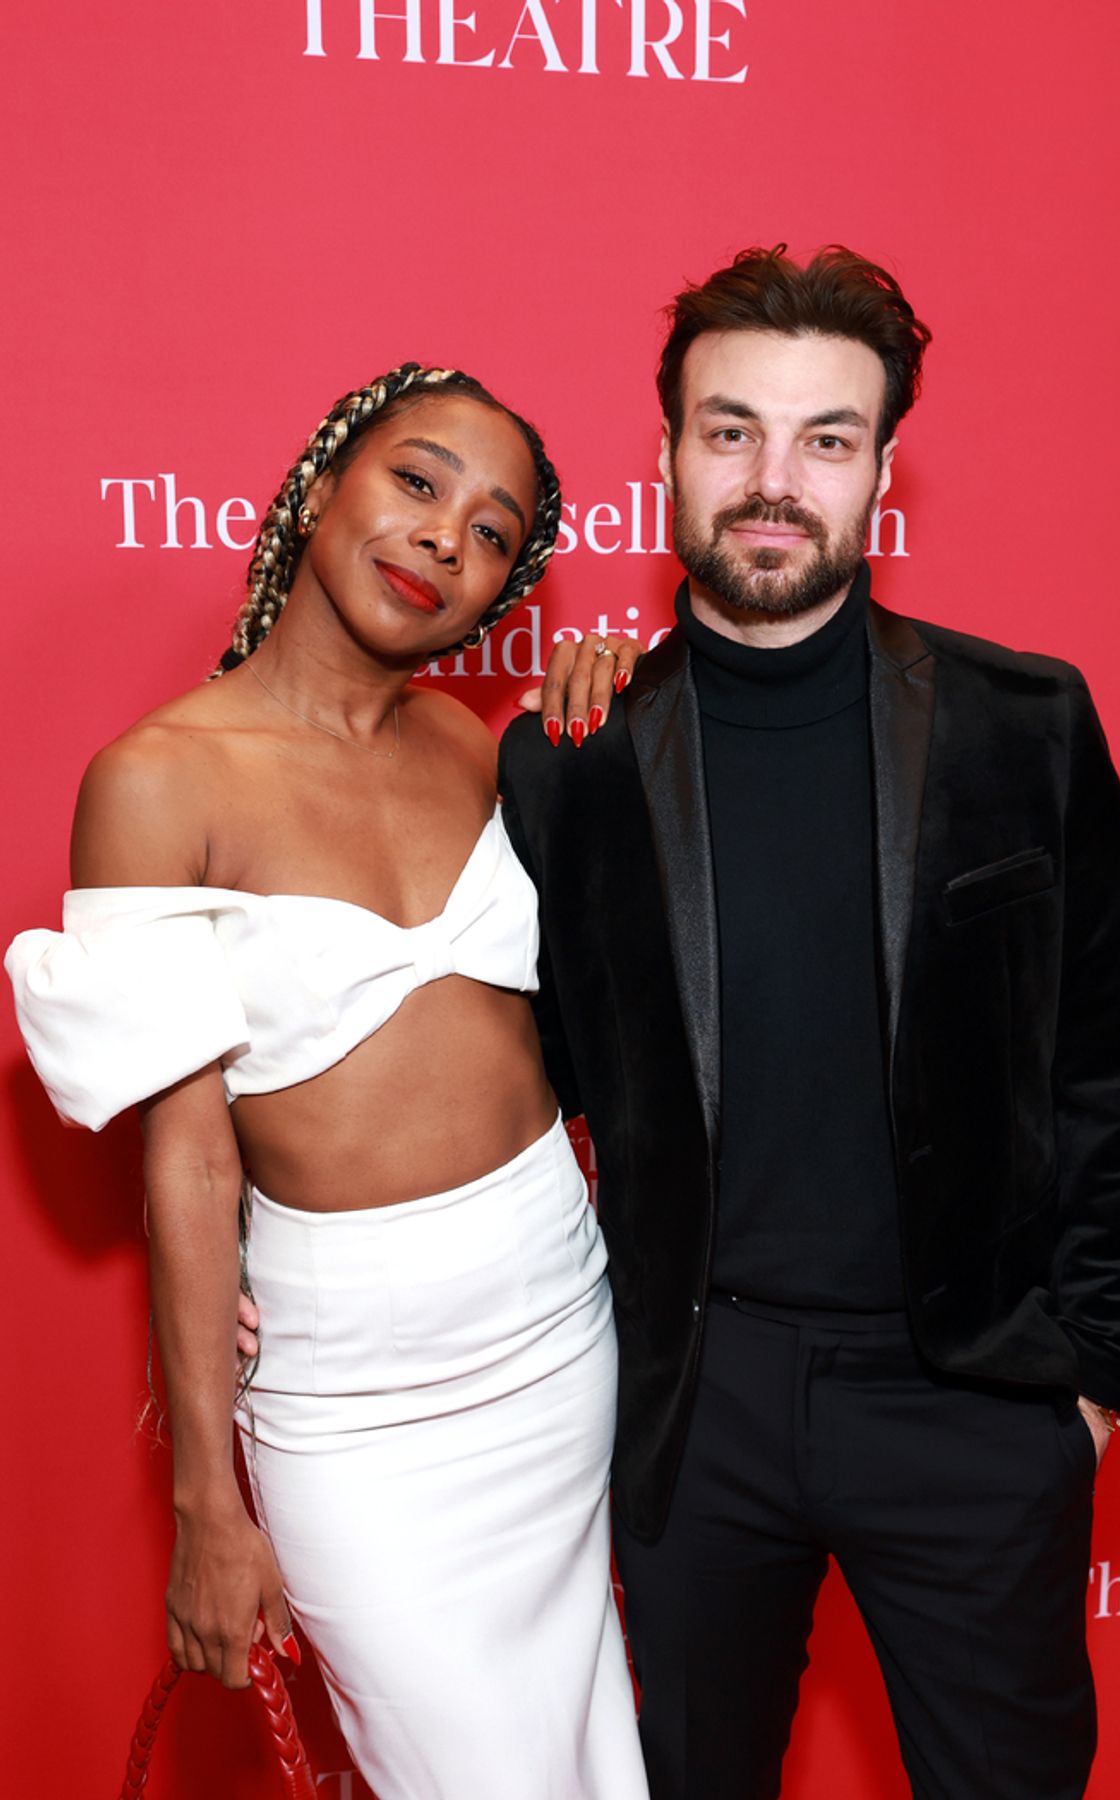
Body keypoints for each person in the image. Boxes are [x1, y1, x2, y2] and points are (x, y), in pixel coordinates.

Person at [497, 247, 1120, 1800]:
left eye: (825, 439)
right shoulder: (571, 765)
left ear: (880, 467)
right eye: (730, 431)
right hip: (697, 1407)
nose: (772, 482)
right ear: (667, 450)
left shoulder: (1030, 724)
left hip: (973, 1404)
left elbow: (1115, 1081)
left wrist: (1084, 1387)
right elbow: (515, 1087)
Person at [6, 362, 649, 1800]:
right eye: (417, 483)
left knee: (598, 1759)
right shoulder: (160, 779)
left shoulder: (480, 749)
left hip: (562, 1327)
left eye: (492, 532)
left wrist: (616, 710)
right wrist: (203, 1508)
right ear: (319, 488)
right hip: (358, 1400)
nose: (444, 539)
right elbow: (187, 1162)